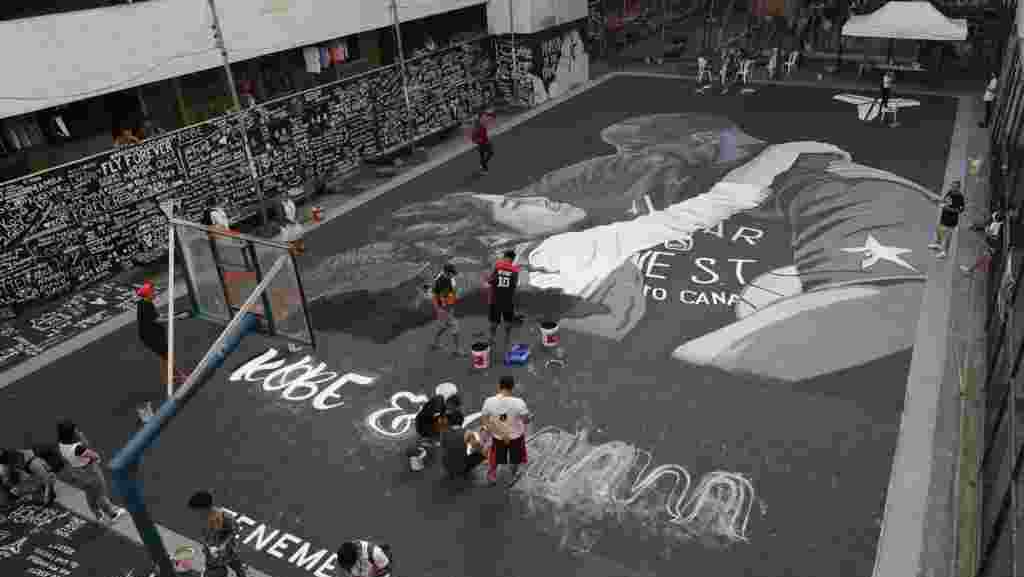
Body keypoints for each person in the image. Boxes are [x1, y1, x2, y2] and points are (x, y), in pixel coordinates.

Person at [303, 113, 942, 381]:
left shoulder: (525, 252)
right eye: (521, 201)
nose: (542, 198)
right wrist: (776, 157)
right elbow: (701, 211)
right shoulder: (574, 248)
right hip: (634, 346)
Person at [56, 419, 124, 524]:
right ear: (72, 433)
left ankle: (98, 515)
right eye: (75, 430)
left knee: (90, 493)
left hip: (77, 472)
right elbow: (93, 454)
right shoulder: (78, 448)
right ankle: (112, 514)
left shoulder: (61, 444)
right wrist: (82, 438)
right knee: (100, 493)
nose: (77, 431)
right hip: (90, 471)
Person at [136, 282, 187, 421]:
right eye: (152, 292)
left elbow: (156, 316)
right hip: (151, 337)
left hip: (151, 335)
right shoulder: (146, 305)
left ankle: (170, 376)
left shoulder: (143, 303)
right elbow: (158, 319)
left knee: (166, 356)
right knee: (167, 355)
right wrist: (176, 317)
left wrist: (172, 314)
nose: (154, 293)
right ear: (147, 294)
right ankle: (179, 375)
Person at [188, 491, 248, 577]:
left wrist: (223, 545)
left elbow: (234, 530)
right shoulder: (202, 519)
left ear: (205, 508)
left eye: (198, 510)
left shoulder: (224, 516)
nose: (197, 513)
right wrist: (207, 547)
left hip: (228, 552)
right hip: (212, 555)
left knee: (238, 568)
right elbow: (204, 536)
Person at [480, 375, 531, 485]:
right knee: (515, 458)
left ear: (499, 386)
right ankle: (512, 478)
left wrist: (501, 433)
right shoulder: (519, 403)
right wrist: (528, 418)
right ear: (513, 387)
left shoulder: (489, 401)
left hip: (498, 437)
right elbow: (526, 420)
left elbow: (484, 421)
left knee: (496, 456)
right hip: (516, 437)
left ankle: (492, 475)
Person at [439, 393, 487, 480]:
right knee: (484, 451)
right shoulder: (467, 433)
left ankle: (453, 471)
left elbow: (443, 446)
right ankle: (464, 472)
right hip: (461, 468)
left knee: (453, 454)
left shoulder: (443, 432)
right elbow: (478, 447)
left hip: (446, 466)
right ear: (461, 421)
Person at [488, 250, 522, 357]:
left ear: (505, 257)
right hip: (508, 300)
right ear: (512, 259)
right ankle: (507, 340)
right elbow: (514, 286)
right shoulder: (515, 270)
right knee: (508, 321)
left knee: (494, 322)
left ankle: (492, 338)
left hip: (495, 299)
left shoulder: (497, 266)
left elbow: (490, 280)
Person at [429, 263, 465, 357]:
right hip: (444, 309)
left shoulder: (448, 279)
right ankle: (458, 350)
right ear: (446, 272)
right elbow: (436, 296)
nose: (453, 275)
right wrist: (440, 309)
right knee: (455, 327)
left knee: (444, 327)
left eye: (453, 273)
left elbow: (450, 293)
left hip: (448, 307)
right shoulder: (440, 281)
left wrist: (454, 295)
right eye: (452, 273)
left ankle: (435, 343)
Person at [932, 181, 965, 259]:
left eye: (954, 187)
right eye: (952, 186)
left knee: (948, 237)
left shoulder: (960, 197)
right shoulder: (950, 192)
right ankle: (938, 244)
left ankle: (944, 252)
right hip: (944, 216)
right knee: (939, 229)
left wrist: (947, 208)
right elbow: (945, 200)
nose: (952, 188)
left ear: (958, 188)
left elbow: (960, 210)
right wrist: (937, 201)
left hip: (952, 220)